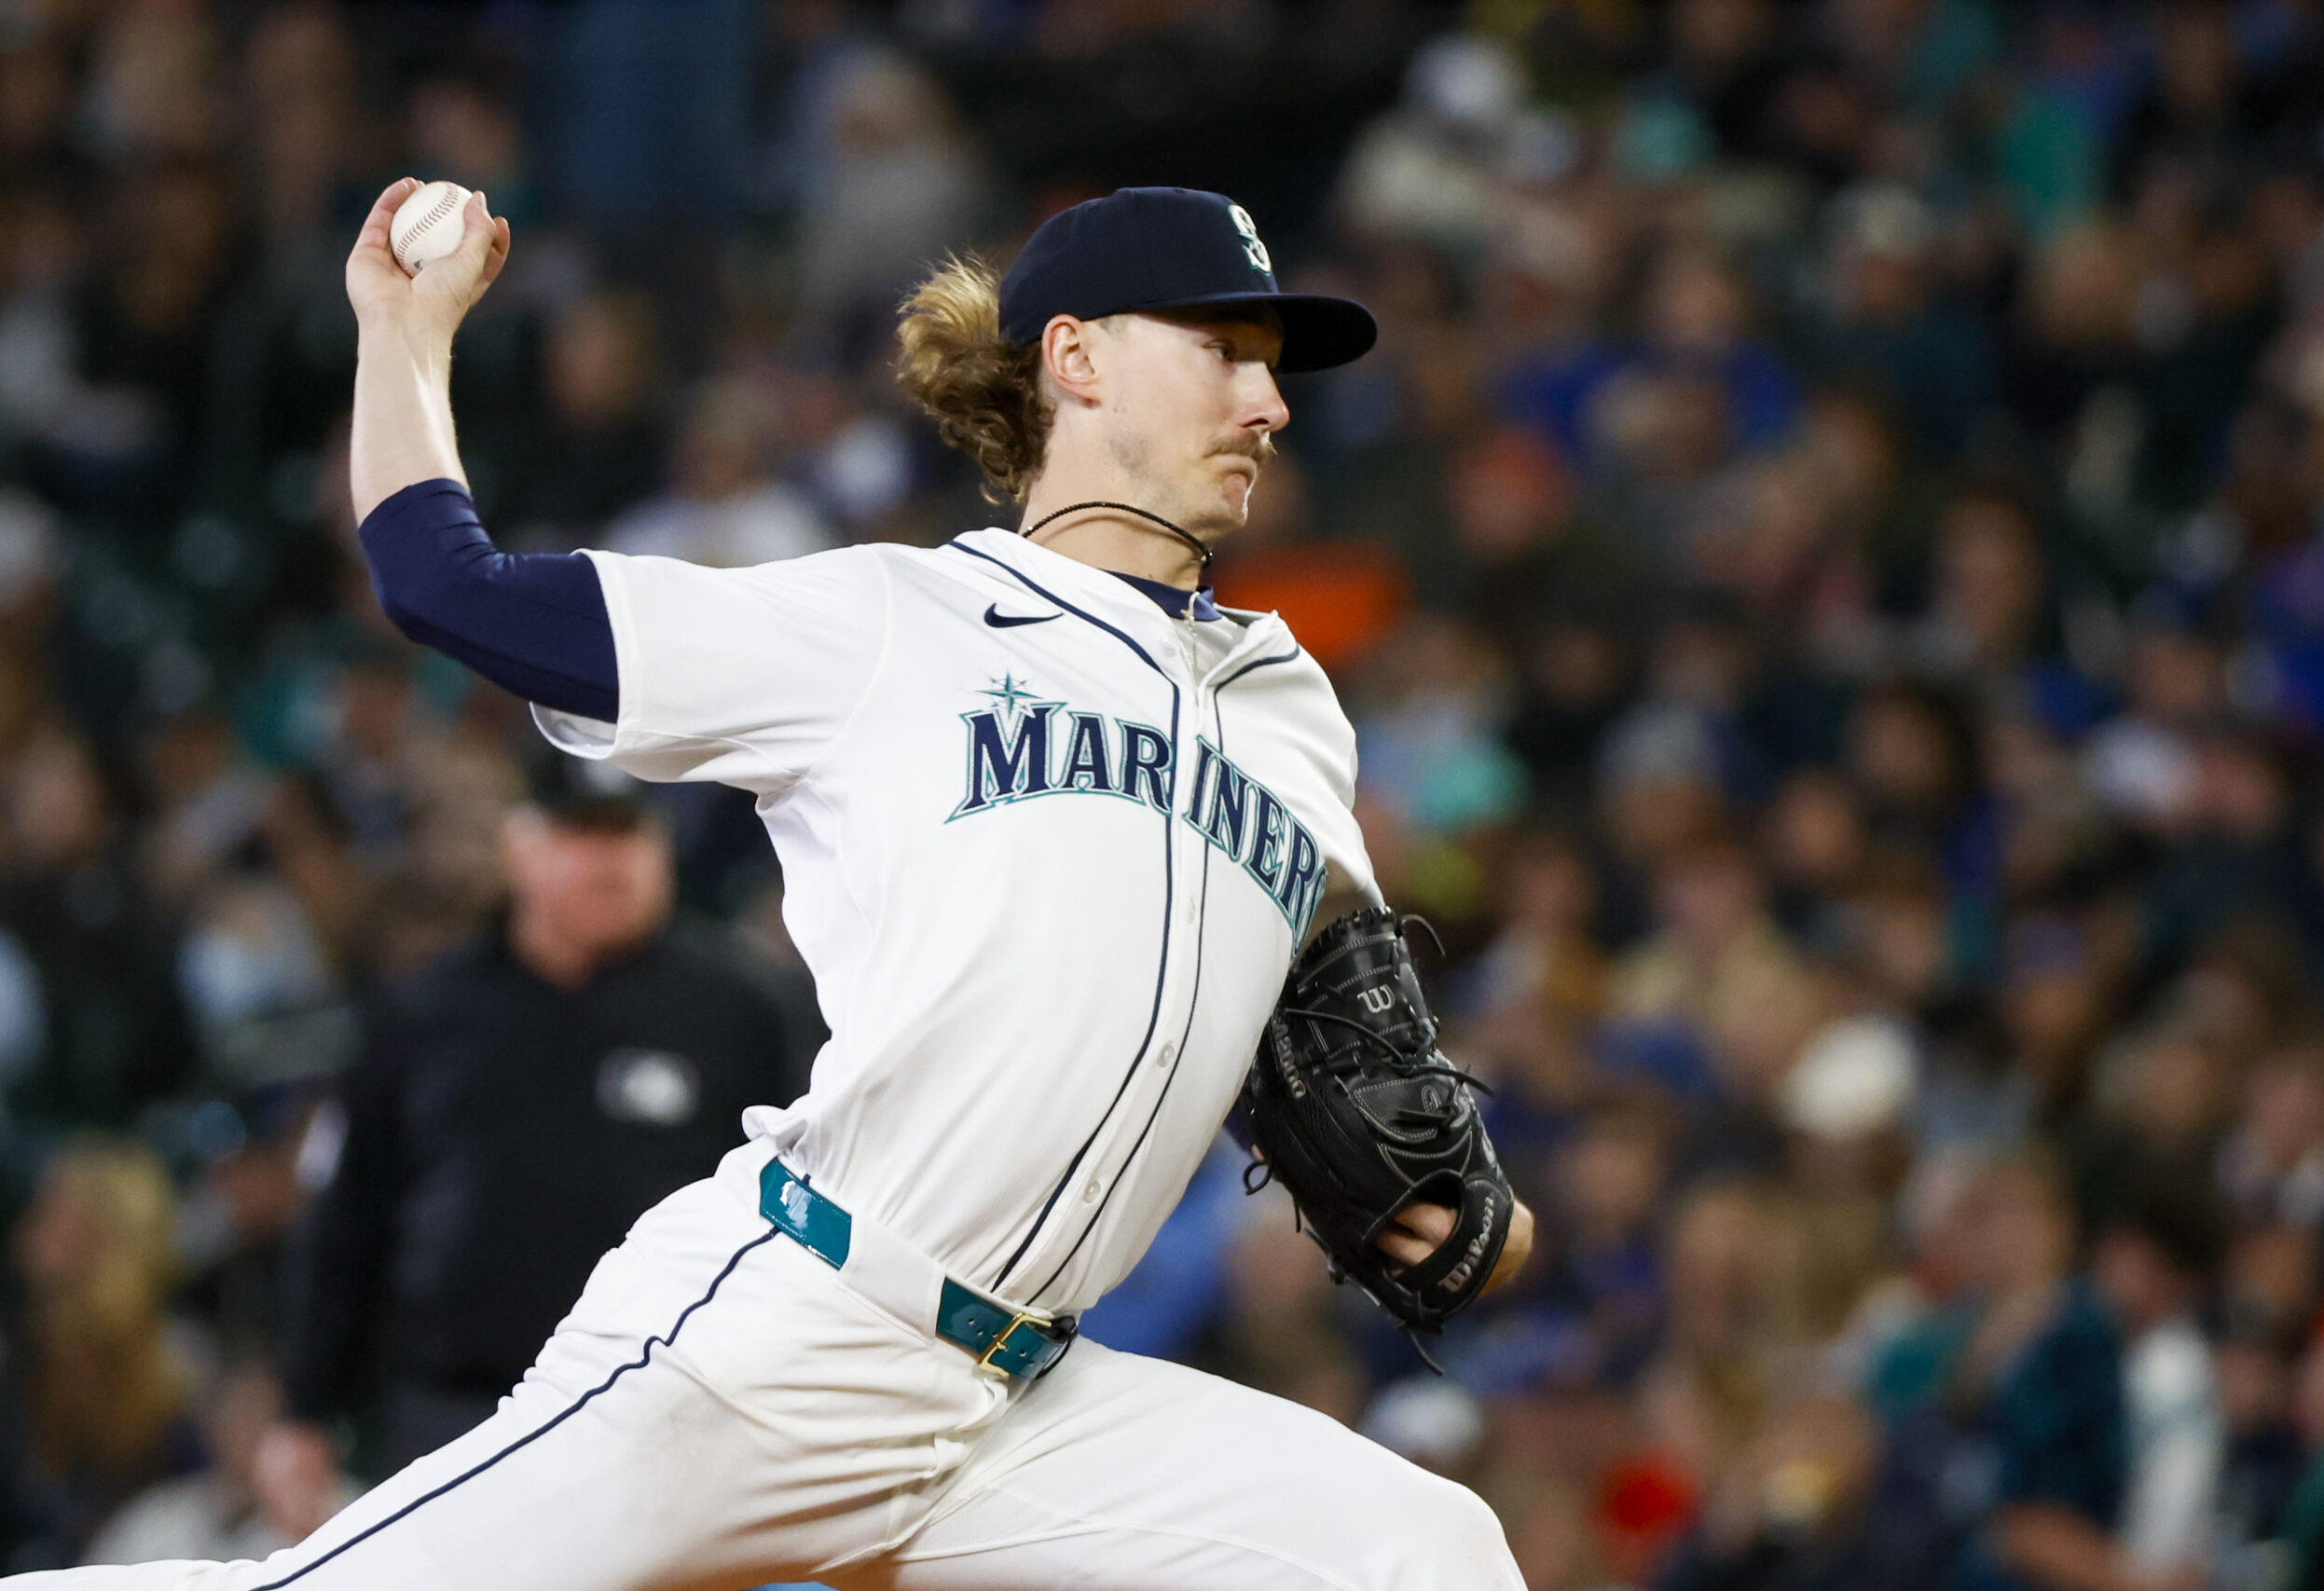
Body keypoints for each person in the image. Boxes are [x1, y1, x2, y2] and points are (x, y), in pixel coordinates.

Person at [7, 182, 1534, 1588]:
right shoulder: (891, 621)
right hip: (793, 1336)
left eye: (1275, 367)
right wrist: (406, 331)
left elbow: (1318, 1045)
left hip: (1020, 1408)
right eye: (1227, 351)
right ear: (1076, 357)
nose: (1271, 400)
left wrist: (1433, 1195)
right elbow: (441, 582)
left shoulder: (1291, 712)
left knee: (1420, 1549)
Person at [279, 764, 810, 1474]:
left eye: (628, 833)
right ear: (518, 845)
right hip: (457, 1412)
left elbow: (800, 1210)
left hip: (673, 1413)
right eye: (582, 833)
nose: (610, 861)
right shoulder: (428, 1012)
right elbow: (351, 1218)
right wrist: (305, 1412)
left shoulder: (743, 1009)